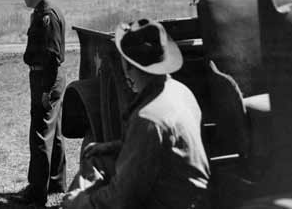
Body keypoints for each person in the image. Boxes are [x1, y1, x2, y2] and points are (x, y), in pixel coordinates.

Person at [62, 20, 210, 209]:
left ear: (130, 67)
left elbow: (121, 198)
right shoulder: (180, 91)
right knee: (99, 159)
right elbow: (161, 148)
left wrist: (81, 203)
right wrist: (114, 146)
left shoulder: (149, 117)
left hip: (172, 202)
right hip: (188, 195)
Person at [13, 0, 67, 206]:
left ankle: (37, 192)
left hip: (47, 78)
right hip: (45, 77)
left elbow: (53, 56)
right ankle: (55, 182)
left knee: (40, 133)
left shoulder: (47, 15)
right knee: (52, 133)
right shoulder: (44, 11)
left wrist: (46, 90)